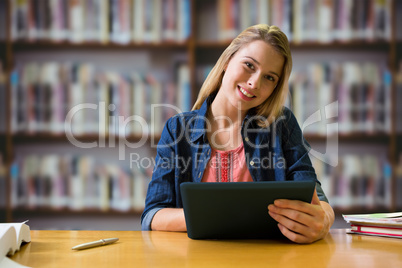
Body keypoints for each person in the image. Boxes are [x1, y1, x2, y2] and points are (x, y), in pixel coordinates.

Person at [141, 24, 335, 244]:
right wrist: (220, 216)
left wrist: (325, 220)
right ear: (227, 61)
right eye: (249, 65)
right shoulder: (177, 130)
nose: (254, 83)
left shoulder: (281, 124)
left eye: (270, 78)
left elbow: (316, 198)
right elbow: (152, 215)